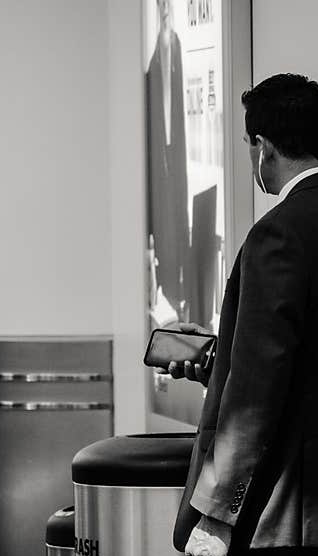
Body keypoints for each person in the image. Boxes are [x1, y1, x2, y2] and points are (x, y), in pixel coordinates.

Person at [164, 74, 318, 556]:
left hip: (269, 502)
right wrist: (219, 361)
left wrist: (217, 516)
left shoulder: (278, 233)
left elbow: (255, 393)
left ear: (263, 147)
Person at [146, 0, 190, 323]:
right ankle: (167, 290)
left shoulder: (173, 45)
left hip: (173, 160)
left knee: (175, 217)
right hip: (159, 160)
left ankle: (176, 291)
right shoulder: (155, 54)